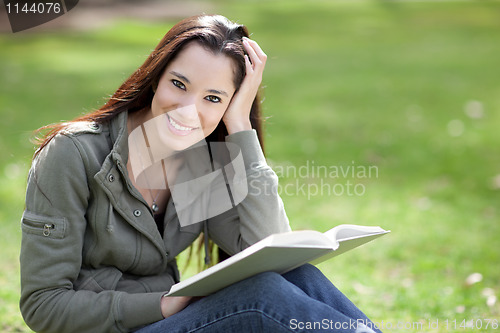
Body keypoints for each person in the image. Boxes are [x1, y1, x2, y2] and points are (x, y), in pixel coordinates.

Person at [19, 14, 382, 333]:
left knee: (296, 275)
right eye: (179, 84)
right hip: (122, 326)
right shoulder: (74, 154)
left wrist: (241, 127)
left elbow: (270, 249)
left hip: (171, 321)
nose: (187, 111)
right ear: (156, 77)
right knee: (263, 296)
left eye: (213, 98)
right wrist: (161, 305)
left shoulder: (201, 162)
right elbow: (43, 305)